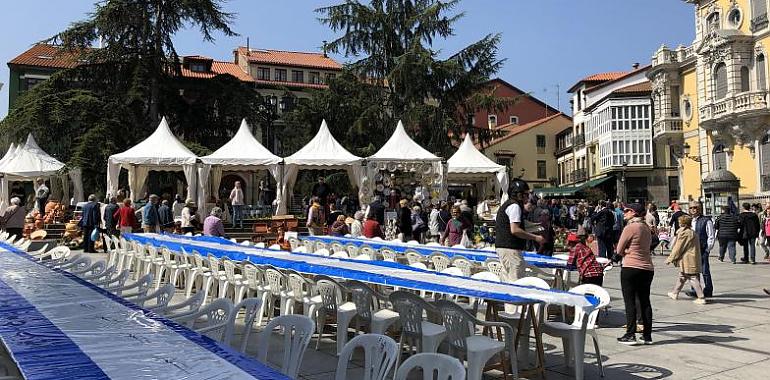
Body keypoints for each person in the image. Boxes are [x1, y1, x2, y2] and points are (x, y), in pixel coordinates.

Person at [613, 203, 654, 345]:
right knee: (645, 301)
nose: (624, 213)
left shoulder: (630, 227)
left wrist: (620, 254)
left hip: (631, 266)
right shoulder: (646, 228)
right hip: (647, 268)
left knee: (629, 302)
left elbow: (619, 249)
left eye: (627, 210)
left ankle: (630, 334)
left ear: (634, 213)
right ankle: (647, 335)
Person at [495, 179, 544, 282]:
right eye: (526, 194)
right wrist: (536, 237)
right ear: (519, 194)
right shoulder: (514, 206)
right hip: (510, 249)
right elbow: (515, 230)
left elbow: (513, 224)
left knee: (506, 280)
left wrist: (533, 226)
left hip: (503, 248)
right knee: (516, 281)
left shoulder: (507, 204)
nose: (528, 197)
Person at [666, 214, 707, 304]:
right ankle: (675, 293)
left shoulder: (685, 233)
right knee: (683, 276)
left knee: (692, 277)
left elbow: (678, 247)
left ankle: (701, 297)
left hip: (688, 258)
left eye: (679, 221)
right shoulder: (691, 231)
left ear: (682, 223)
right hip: (690, 258)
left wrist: (670, 258)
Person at [683, 201, 715, 299]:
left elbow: (711, 236)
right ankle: (695, 290)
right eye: (691, 208)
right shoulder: (688, 220)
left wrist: (707, 249)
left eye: (696, 207)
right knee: (693, 271)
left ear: (700, 208)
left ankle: (708, 290)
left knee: (705, 271)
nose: (693, 209)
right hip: (691, 251)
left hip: (702, 249)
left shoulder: (706, 220)